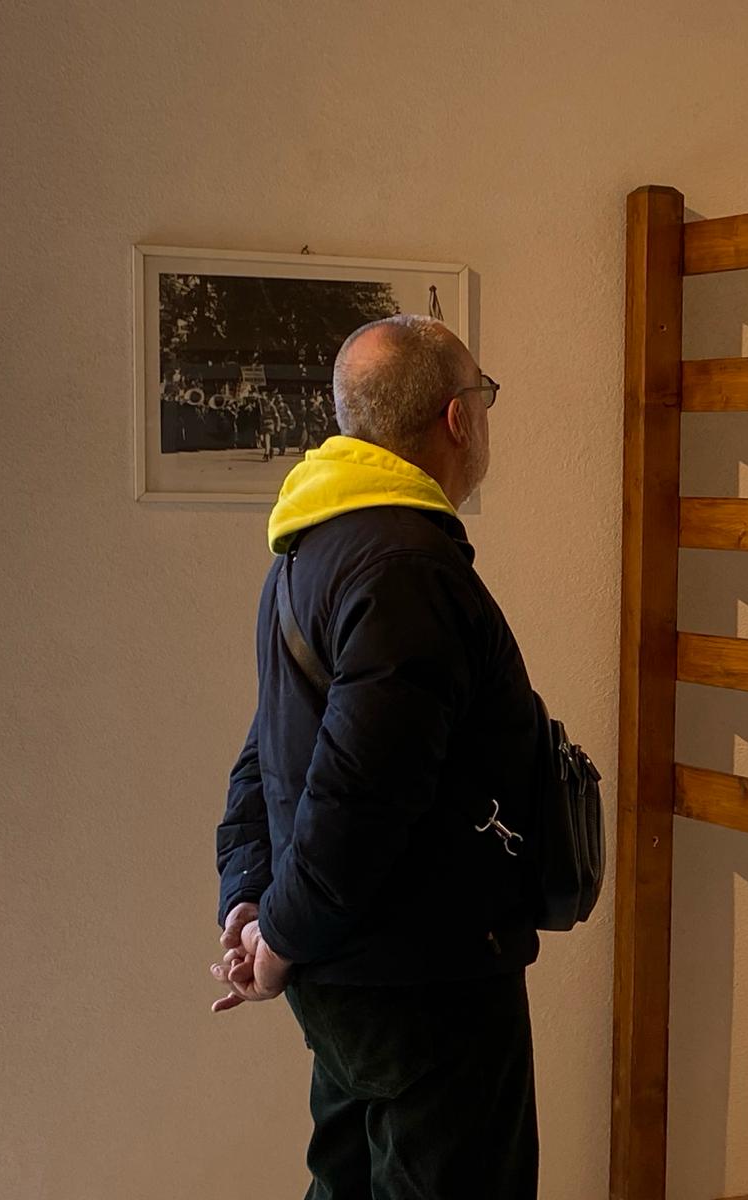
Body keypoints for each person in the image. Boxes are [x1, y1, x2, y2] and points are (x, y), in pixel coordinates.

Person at [210, 314, 540, 1198]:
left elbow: (267, 754)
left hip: (353, 974)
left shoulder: (310, 546)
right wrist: (276, 933)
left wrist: (251, 897)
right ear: (458, 417)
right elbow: (362, 791)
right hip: (422, 978)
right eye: (483, 395)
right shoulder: (406, 568)